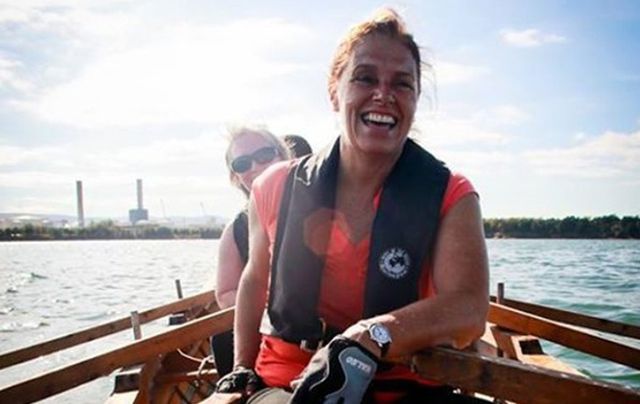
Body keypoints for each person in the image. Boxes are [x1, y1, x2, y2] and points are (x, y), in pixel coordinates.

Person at [210, 8, 489, 403]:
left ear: (415, 99)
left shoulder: (452, 194)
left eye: (402, 84)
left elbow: (468, 308)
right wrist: (240, 367)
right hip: (289, 382)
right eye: (365, 78)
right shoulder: (274, 187)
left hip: (405, 385)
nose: (383, 95)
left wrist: (369, 336)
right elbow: (254, 280)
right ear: (333, 92)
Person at [212, 126, 291, 376]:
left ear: (283, 155)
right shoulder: (236, 229)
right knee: (223, 339)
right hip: (267, 327)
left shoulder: (320, 205)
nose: (255, 166)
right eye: (243, 163)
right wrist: (272, 306)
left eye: (265, 155)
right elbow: (225, 294)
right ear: (235, 176)